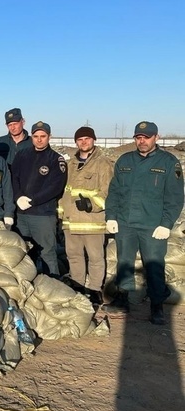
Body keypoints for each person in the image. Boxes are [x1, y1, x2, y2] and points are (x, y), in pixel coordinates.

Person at [104, 121, 184, 325]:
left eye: (146, 137)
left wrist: (166, 224)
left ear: (156, 137)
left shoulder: (168, 162)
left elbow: (175, 197)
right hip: (126, 223)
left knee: (154, 265)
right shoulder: (125, 160)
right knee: (124, 263)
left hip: (152, 224)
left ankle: (157, 305)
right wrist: (111, 216)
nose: (142, 141)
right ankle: (123, 298)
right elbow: (114, 191)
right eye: (138, 137)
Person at [57, 126, 114, 305]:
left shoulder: (103, 164)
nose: (84, 142)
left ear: (93, 140)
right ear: (76, 142)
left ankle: (95, 289)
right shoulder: (70, 164)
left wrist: (91, 203)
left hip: (92, 221)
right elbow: (64, 191)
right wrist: (61, 214)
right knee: (74, 256)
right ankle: (78, 286)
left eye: (87, 139)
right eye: (80, 139)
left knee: (95, 258)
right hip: (71, 221)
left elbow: (109, 191)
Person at [11, 121, 68, 278]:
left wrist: (33, 200)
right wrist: (18, 197)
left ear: (49, 137)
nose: (39, 139)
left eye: (43, 136)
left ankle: (53, 286)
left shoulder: (56, 159)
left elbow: (56, 187)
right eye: (36, 136)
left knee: (47, 253)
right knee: (25, 253)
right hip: (21, 215)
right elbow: (14, 177)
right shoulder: (22, 155)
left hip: (43, 215)